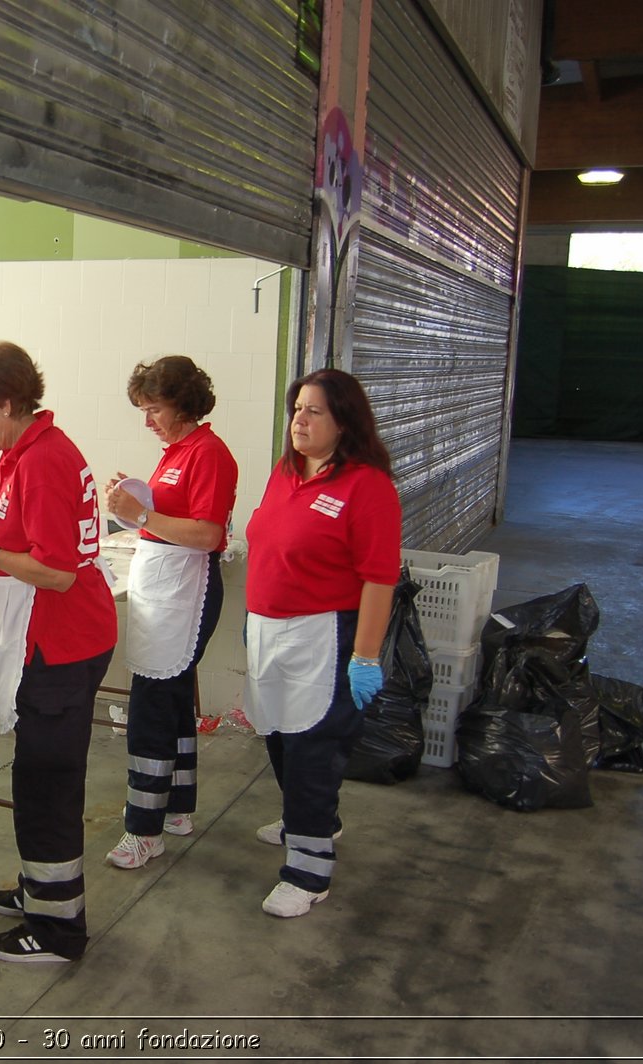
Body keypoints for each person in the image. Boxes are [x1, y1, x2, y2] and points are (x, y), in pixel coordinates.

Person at [0, 340, 117, 964]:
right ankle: (42, 887)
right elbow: (17, 540)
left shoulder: (42, 461)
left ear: (5, 403)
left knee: (47, 783)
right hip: (50, 635)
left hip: (61, 643)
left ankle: (58, 929)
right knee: (37, 776)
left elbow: (57, 572)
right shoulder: (20, 450)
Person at [243, 367, 401, 917]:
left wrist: (365, 655)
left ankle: (308, 871)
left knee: (314, 746)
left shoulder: (367, 487)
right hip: (267, 630)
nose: (300, 420)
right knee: (280, 736)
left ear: (344, 423)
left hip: (322, 637)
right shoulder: (285, 473)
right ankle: (308, 819)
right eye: (297, 409)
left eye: (314, 411)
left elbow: (380, 577)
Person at [102, 356, 237, 870]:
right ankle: (177, 807)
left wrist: (142, 515)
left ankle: (144, 827)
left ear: (183, 404)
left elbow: (206, 534)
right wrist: (138, 499)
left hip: (187, 589)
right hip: (164, 585)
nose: (147, 420)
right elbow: (170, 515)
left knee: (151, 706)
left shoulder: (209, 453)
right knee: (174, 696)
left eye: (153, 408)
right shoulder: (176, 452)